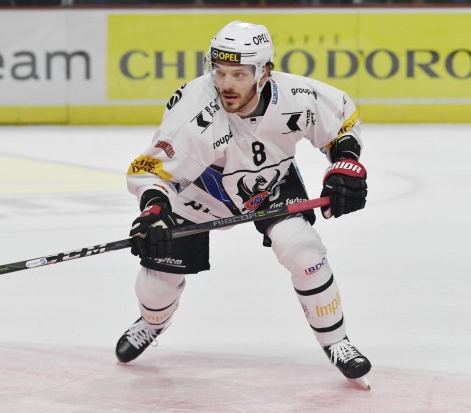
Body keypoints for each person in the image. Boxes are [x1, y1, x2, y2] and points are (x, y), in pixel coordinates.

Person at [116, 20, 371, 389]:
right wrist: (153, 212)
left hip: (270, 182)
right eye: (219, 72)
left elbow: (341, 120)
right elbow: (153, 171)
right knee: (158, 284)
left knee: (302, 249)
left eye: (238, 74)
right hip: (196, 198)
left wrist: (345, 164)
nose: (226, 84)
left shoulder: (297, 96)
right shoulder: (193, 112)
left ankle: (337, 342)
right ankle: (152, 322)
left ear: (264, 71)